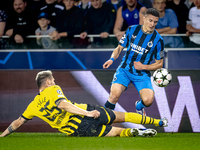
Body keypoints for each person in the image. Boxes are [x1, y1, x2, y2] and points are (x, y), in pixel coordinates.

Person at [0, 70, 168, 137]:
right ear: (48, 82)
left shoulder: (32, 106)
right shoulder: (53, 89)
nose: (55, 81)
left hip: (76, 129)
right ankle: (158, 122)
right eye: (53, 79)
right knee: (122, 116)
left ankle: (135, 132)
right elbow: (63, 105)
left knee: (116, 132)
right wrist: (87, 114)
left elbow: (18, 122)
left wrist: (2, 135)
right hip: (86, 111)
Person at [103, 8, 164, 116]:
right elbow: (119, 48)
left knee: (148, 101)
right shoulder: (132, 30)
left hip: (142, 74)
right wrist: (111, 59)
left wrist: (143, 67)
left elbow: (159, 64)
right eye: (150, 20)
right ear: (144, 19)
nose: (152, 24)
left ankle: (139, 106)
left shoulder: (158, 40)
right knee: (114, 95)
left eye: (155, 22)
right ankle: (102, 118)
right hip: (125, 70)